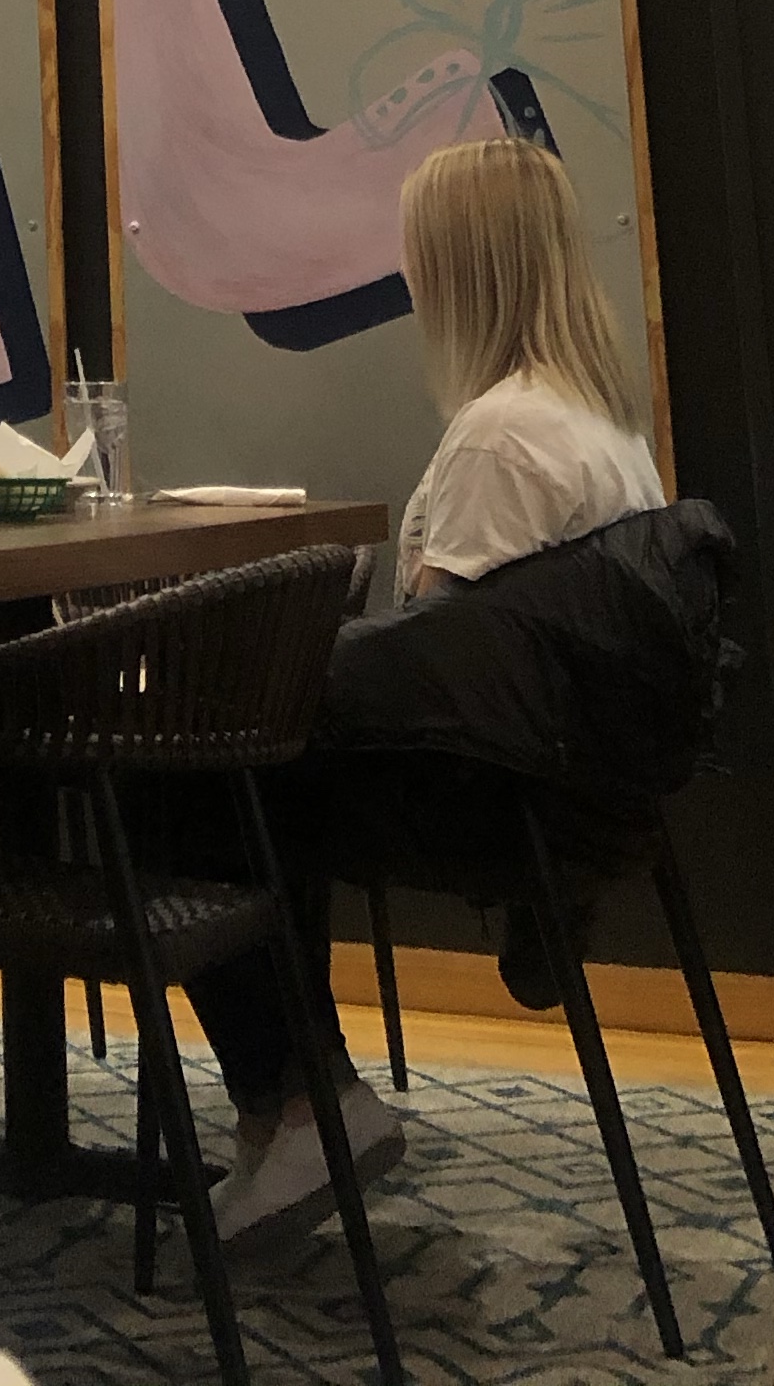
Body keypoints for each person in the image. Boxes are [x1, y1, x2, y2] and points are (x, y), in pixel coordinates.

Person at [186, 133, 670, 1244]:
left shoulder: (502, 437)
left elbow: (430, 653)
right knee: (253, 773)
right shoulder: (601, 422)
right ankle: (296, 1105)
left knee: (198, 784)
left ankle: (297, 1107)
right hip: (569, 788)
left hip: (489, 795)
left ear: (459, 268)